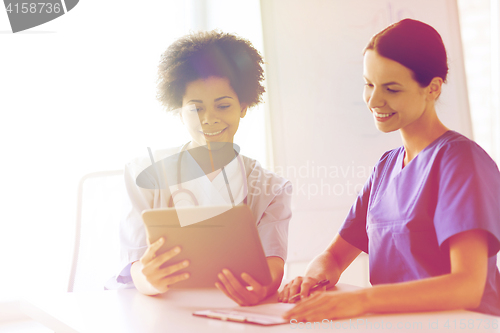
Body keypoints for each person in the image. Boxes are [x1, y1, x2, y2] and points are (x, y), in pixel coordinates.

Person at [279, 18, 500, 320]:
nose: (374, 100)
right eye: (368, 84)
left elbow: (467, 286)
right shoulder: (386, 167)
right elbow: (333, 257)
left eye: (391, 89)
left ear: (433, 88)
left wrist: (363, 300)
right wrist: (311, 280)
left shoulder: (461, 162)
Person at [114, 31, 292, 306]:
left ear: (244, 106)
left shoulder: (271, 189)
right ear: (179, 109)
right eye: (196, 108)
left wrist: (262, 289)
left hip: (235, 311)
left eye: (223, 105)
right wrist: (149, 279)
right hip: (160, 309)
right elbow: (135, 264)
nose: (209, 119)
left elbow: (273, 266)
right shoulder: (145, 174)